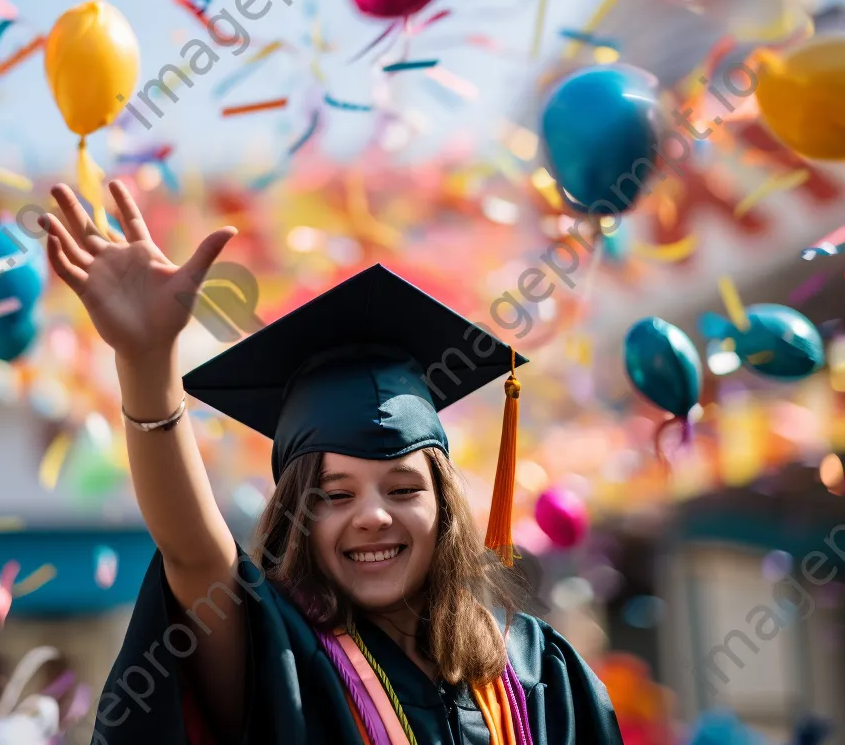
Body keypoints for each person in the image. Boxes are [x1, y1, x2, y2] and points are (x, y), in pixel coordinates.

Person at [41, 182, 623, 745]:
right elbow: (192, 552)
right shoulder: (282, 660)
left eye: (402, 489)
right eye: (335, 495)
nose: (373, 516)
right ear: (298, 517)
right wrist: (146, 362)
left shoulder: (541, 673)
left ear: (445, 506)